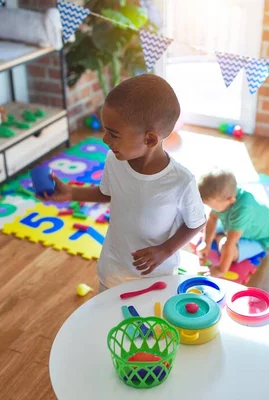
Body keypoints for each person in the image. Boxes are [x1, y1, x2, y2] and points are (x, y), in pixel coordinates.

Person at [44, 74, 206, 290]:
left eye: (113, 134)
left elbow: (196, 222)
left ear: (149, 139)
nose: (104, 140)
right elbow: (108, 193)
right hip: (113, 270)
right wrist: (71, 194)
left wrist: (165, 251)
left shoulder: (180, 181)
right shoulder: (115, 159)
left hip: (156, 278)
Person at [196, 169, 269, 277]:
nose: (211, 209)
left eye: (212, 206)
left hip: (257, 240)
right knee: (202, 225)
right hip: (233, 226)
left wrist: (220, 269)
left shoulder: (242, 210)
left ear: (230, 199)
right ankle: (219, 235)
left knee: (226, 248)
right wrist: (206, 243)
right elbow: (212, 218)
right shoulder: (223, 196)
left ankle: (219, 237)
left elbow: (230, 242)